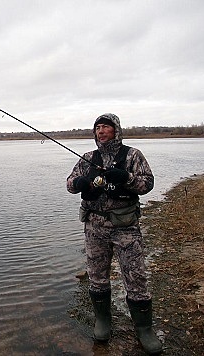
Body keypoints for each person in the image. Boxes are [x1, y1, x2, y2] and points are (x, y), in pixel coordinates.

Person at [66, 113, 162, 354]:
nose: (101, 131)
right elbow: (69, 183)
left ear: (116, 130)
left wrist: (126, 178)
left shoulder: (132, 155)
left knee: (136, 276)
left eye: (105, 127)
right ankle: (103, 321)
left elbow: (147, 183)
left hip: (126, 227)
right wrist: (80, 184)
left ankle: (144, 329)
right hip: (94, 228)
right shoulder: (88, 158)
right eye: (97, 128)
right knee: (97, 276)